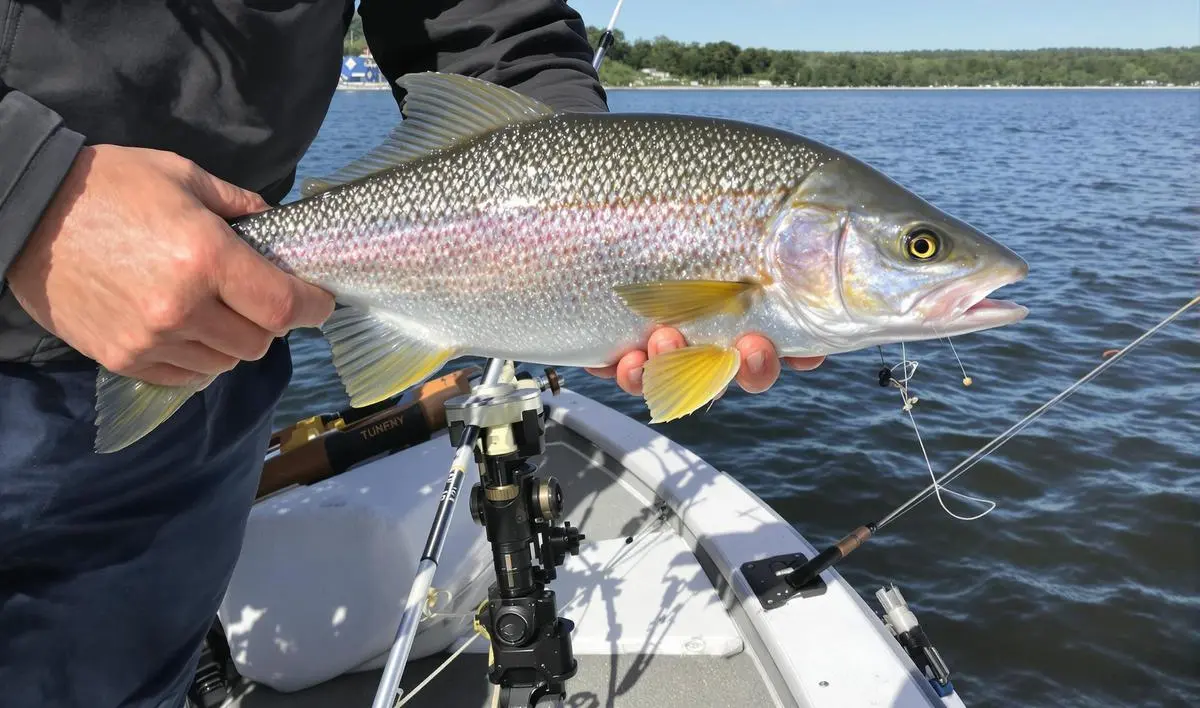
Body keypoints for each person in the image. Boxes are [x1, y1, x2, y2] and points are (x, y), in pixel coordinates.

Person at [0, 2, 823, 706]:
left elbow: (487, 25)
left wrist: (588, 229)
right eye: (920, 249)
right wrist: (33, 193)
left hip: (213, 353)